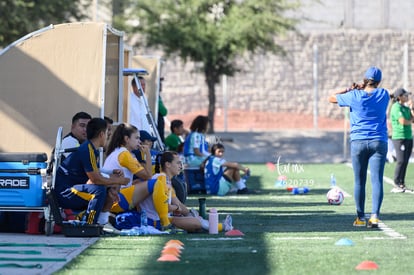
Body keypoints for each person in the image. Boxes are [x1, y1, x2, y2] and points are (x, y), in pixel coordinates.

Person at [328, 66, 389, 228]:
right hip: (379, 141)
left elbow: (331, 98)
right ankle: (375, 216)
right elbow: (379, 93)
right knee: (377, 181)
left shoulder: (353, 95)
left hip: (358, 141)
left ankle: (360, 218)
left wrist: (349, 89)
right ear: (379, 81)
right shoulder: (383, 95)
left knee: (359, 181)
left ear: (364, 79)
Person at [54, 118, 129, 225]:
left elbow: (97, 174)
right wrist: (119, 181)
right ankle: (90, 223)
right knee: (99, 190)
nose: (109, 136)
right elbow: (96, 179)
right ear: (102, 134)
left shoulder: (92, 149)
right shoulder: (87, 150)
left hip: (75, 188)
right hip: (66, 193)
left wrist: (114, 182)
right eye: (108, 132)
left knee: (108, 188)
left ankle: (102, 222)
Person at [103, 123, 174, 231]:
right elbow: (148, 176)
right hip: (116, 198)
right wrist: (148, 155)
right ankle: (164, 221)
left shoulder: (119, 152)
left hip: (113, 196)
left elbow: (144, 175)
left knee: (141, 181)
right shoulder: (124, 154)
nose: (139, 141)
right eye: (136, 138)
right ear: (126, 139)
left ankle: (155, 218)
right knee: (157, 182)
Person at [140, 151, 233, 233]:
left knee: (195, 222)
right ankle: (222, 226)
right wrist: (177, 209)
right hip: (153, 220)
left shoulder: (166, 179)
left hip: (161, 219)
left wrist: (190, 213)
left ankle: (218, 226)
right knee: (196, 223)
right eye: (178, 163)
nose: (181, 166)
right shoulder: (161, 178)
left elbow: (178, 203)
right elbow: (164, 207)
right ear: (168, 164)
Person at [390, 88, 414, 192]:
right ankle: (396, 183)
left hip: (408, 137)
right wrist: (410, 120)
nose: (407, 97)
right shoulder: (396, 107)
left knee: (405, 161)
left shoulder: (406, 108)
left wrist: (412, 108)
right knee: (400, 160)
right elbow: (403, 121)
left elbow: (412, 120)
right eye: (405, 95)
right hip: (399, 137)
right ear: (399, 97)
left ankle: (402, 183)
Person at [157, 77, 168, 143]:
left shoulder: (158, 96)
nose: (161, 85)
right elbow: (164, 111)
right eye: (159, 83)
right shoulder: (156, 98)